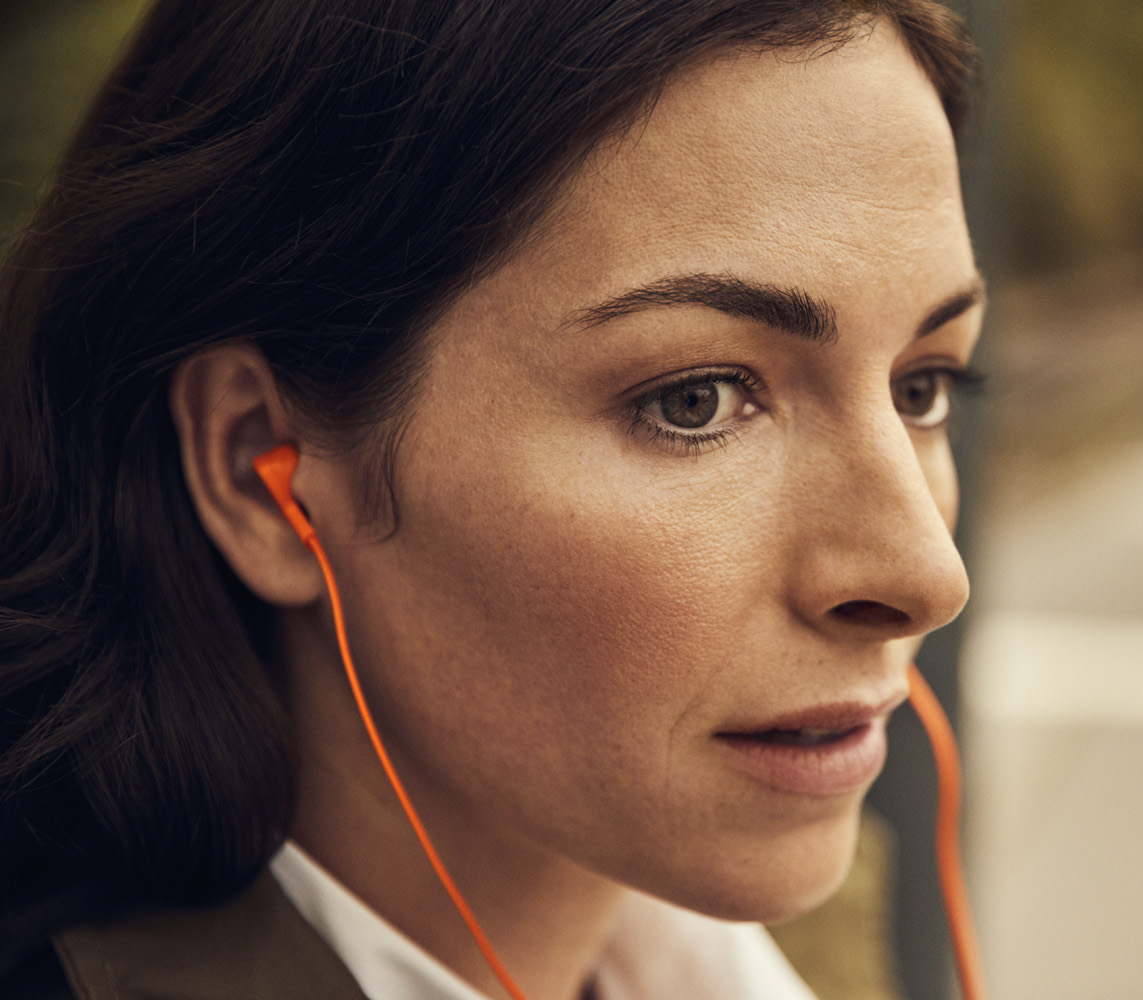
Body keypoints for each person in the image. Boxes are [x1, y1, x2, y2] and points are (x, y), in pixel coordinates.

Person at [0, 1, 983, 997]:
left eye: (923, 386)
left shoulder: (815, 943)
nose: (928, 576)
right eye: (696, 400)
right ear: (257, 467)